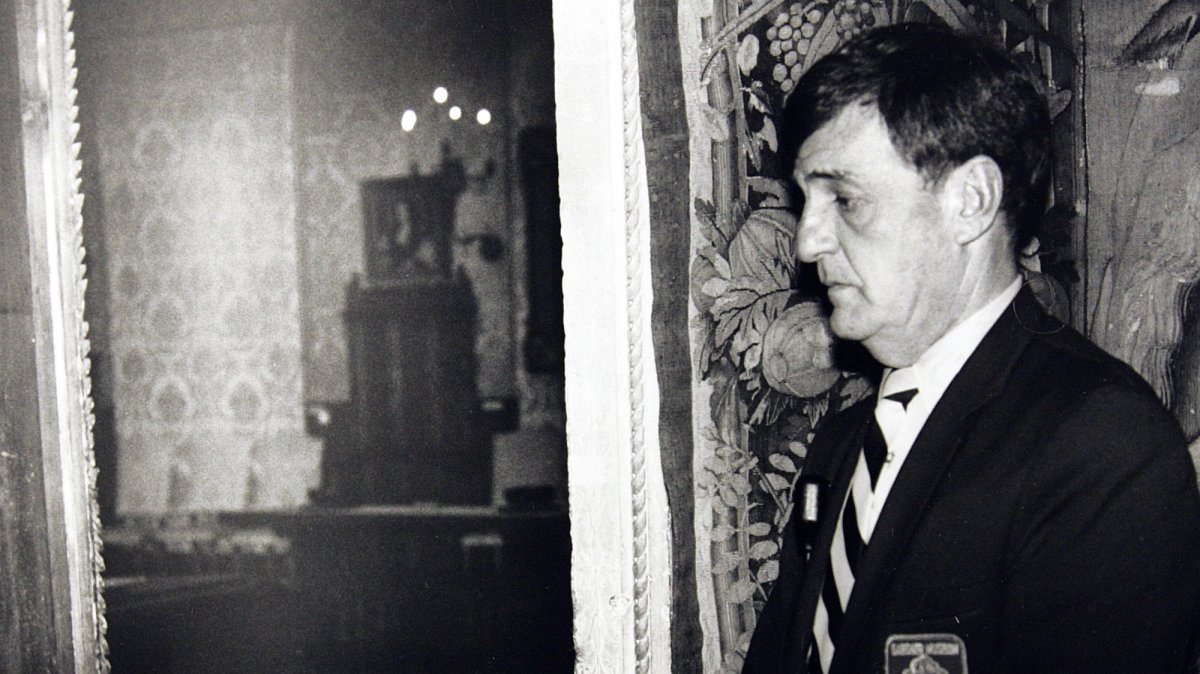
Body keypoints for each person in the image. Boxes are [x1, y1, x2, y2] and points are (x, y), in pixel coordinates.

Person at [742, 23, 1200, 674]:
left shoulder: (1099, 445)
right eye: (806, 202)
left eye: (843, 198)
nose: (809, 241)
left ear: (971, 202)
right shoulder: (845, 441)